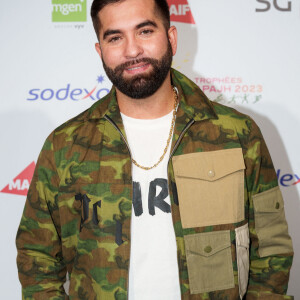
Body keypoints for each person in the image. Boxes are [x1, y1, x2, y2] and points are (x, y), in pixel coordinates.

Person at [16, 0, 294, 299]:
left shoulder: (236, 133)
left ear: (171, 38)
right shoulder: (64, 146)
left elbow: (271, 246)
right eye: (115, 37)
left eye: (145, 31)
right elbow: (37, 257)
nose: (132, 50)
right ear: (100, 50)